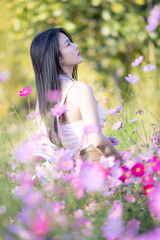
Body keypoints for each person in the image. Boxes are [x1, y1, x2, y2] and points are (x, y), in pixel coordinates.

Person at [30, 27, 121, 162]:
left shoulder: (43, 101)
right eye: (68, 44)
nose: (76, 46)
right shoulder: (80, 90)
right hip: (98, 168)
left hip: (73, 176)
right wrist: (123, 163)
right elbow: (97, 140)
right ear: (58, 58)